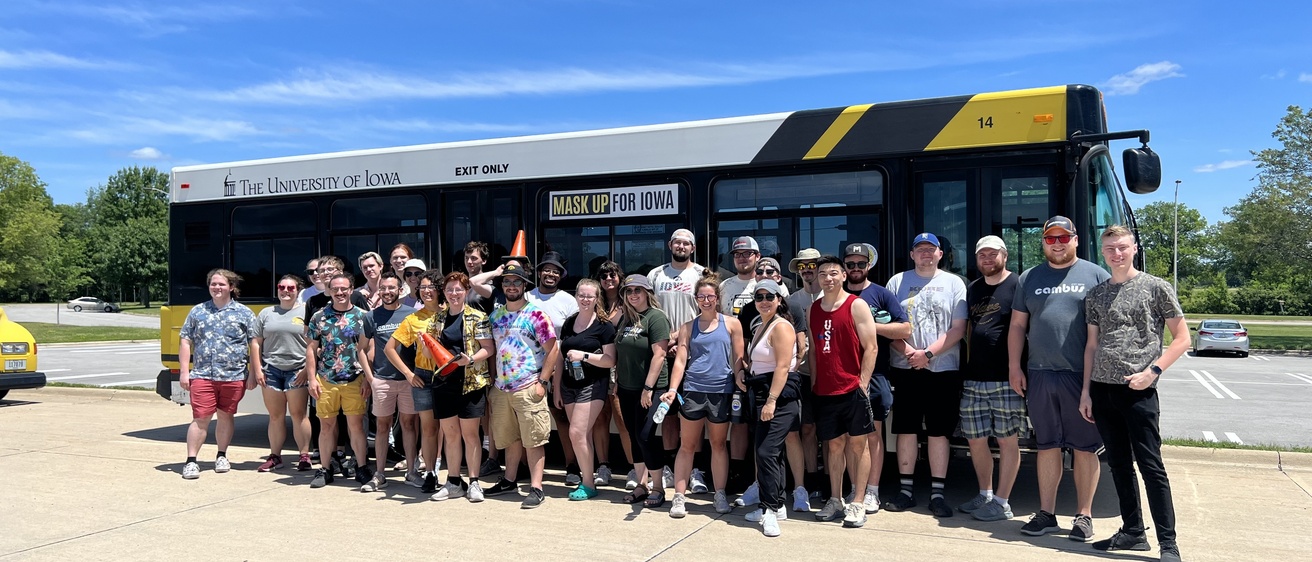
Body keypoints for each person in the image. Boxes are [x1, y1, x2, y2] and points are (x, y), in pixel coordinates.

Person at [1081, 225, 1189, 562]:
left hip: (1138, 392)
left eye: (1122, 247)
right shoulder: (1096, 294)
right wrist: (1086, 392)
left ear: (1134, 248)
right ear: (1103, 252)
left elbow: (1182, 338)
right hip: (1102, 391)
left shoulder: (1156, 288)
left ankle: (1168, 544)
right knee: (1118, 464)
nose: (1116, 254)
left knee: (1151, 466)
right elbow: (1092, 345)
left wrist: (1153, 371)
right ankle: (1132, 532)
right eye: (1110, 248)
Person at [1008, 215, 1110, 542]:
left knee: (1085, 447)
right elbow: (1017, 326)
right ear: (1043, 242)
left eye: (1063, 238)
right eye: (1050, 238)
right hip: (1039, 374)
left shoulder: (1096, 275)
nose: (1057, 243)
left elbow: (1108, 329)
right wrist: (1014, 367)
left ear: (1075, 240)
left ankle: (1084, 516)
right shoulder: (1029, 277)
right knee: (1047, 445)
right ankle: (1047, 514)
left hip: (1081, 377)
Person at [883, 233, 967, 518]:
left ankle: (937, 494)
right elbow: (887, 324)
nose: (926, 254)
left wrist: (927, 354)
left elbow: (958, 328)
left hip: (943, 369)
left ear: (940, 254)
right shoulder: (897, 282)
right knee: (906, 428)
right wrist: (910, 353)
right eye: (920, 249)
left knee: (938, 431)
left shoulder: (954, 283)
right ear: (912, 254)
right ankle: (906, 491)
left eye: (931, 249)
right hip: (905, 367)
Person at [956, 236, 1027, 522]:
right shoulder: (973, 288)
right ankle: (985, 494)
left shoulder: (1019, 285)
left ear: (1004, 256)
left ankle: (1002, 502)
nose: (987, 259)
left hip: (1006, 378)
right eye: (982, 254)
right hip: (974, 378)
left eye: (993, 254)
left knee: (1007, 440)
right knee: (975, 440)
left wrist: (1018, 369)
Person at [807, 255, 879, 529]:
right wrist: (815, 383)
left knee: (859, 446)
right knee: (834, 446)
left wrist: (863, 383)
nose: (828, 278)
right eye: (823, 274)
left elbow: (871, 347)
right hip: (825, 390)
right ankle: (835, 500)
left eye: (833, 273)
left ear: (844, 276)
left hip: (852, 388)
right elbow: (814, 351)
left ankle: (858, 501)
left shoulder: (856, 305)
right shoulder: (813, 309)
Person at [663, 274, 742, 518]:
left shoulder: (732, 324)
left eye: (710, 296)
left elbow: (739, 359)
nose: (706, 301)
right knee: (687, 445)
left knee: (718, 444)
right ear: (696, 299)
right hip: (693, 390)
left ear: (717, 298)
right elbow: (680, 361)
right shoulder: (688, 327)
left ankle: (720, 494)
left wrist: (740, 380)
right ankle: (679, 497)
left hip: (722, 391)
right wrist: (673, 389)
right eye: (701, 297)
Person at [484, 263, 560, 509]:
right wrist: (492, 383)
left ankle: (536, 488)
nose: (512, 286)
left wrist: (543, 382)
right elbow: (492, 351)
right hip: (502, 388)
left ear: (525, 285)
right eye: (507, 282)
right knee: (510, 439)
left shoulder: (536, 315)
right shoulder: (495, 316)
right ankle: (509, 480)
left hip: (529, 385)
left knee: (534, 439)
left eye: (517, 282)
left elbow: (553, 350)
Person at [178, 269, 261, 480]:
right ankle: (191, 461)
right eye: (213, 284)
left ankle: (222, 455)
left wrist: (253, 373)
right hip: (203, 375)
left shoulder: (244, 313)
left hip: (233, 376)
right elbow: (185, 340)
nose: (217, 288)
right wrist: (185, 372)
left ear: (231, 287)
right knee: (201, 417)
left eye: (221, 284)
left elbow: (254, 344)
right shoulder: (198, 311)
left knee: (225, 416)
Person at [848, 243, 911, 515]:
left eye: (860, 264)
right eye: (850, 264)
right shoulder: (836, 296)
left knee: (872, 434)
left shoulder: (881, 294)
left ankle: (872, 491)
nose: (855, 268)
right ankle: (855, 488)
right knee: (848, 436)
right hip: (843, 375)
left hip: (875, 374)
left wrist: (870, 326)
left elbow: (905, 329)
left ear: (869, 265)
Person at [428, 272, 496, 502]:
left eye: (458, 289)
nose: (454, 293)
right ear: (444, 293)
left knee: (470, 435)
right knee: (450, 435)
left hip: (471, 382)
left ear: (466, 291)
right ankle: (454, 481)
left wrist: (471, 359)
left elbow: (488, 348)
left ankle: (474, 482)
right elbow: (431, 350)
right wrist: (424, 343)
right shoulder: (437, 318)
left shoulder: (478, 316)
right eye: (449, 290)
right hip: (444, 383)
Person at [647, 229, 705, 494]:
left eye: (686, 243)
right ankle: (670, 468)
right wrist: (664, 341)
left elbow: (708, 310)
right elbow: (649, 311)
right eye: (677, 242)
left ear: (693, 248)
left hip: (694, 352)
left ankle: (695, 470)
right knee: (668, 413)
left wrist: (679, 338)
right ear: (670, 245)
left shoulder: (701, 274)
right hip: (662, 351)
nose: (681, 246)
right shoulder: (656, 274)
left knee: (693, 413)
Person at [306, 273, 376, 489]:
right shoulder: (319, 317)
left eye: (344, 288)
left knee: (356, 427)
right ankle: (325, 468)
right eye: (335, 289)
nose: (340, 292)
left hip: (355, 378)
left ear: (351, 289)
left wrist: (368, 379)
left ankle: (361, 467)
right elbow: (311, 349)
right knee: (326, 427)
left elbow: (370, 349)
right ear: (329, 290)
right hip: (326, 379)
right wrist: (311, 379)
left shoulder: (364, 316)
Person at [743, 280, 801, 537]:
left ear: (779, 299)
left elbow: (783, 367)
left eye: (769, 296)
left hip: (779, 396)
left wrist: (771, 400)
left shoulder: (782, 326)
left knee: (766, 453)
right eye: (759, 297)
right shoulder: (760, 326)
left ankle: (769, 510)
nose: (764, 301)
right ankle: (776, 505)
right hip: (760, 391)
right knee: (769, 453)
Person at [554, 278, 617, 500]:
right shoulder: (569, 323)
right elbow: (560, 357)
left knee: (576, 433)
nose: (585, 299)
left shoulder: (604, 326)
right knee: (582, 436)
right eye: (581, 295)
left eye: (590, 296)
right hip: (569, 385)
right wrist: (556, 388)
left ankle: (588, 484)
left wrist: (585, 356)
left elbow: (610, 360)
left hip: (593, 385)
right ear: (576, 296)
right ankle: (587, 480)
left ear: (597, 298)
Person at [613, 274, 672, 508]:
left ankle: (658, 487)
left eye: (638, 290)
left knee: (646, 436)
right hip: (626, 387)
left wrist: (648, 388)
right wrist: (617, 379)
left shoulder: (656, 317)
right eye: (629, 291)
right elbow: (622, 352)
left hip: (651, 388)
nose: (633, 294)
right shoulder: (626, 319)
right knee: (633, 435)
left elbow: (660, 354)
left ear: (647, 293)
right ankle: (641, 484)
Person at [385, 270, 447, 493]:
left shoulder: (451, 312)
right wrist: (409, 374)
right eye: (423, 287)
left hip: (448, 375)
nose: (427, 291)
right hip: (424, 376)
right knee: (429, 429)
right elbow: (389, 349)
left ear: (440, 289)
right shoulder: (413, 319)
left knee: (449, 429)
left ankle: (450, 473)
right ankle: (430, 472)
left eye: (431, 287)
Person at [359, 271, 419, 492]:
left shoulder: (411, 314)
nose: (387, 292)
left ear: (400, 290)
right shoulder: (371, 317)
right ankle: (380, 474)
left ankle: (412, 472)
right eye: (383, 288)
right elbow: (361, 350)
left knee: (409, 425)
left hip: (408, 380)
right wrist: (370, 378)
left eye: (391, 288)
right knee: (382, 427)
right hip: (382, 380)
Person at [527, 251, 582, 485]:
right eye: (547, 270)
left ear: (561, 276)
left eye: (556, 271)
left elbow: (572, 335)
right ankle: (525, 468)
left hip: (560, 367)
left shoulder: (568, 301)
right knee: (527, 418)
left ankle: (572, 466)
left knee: (562, 417)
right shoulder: (527, 297)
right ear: (539, 272)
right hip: (530, 368)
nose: (550, 274)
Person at [253, 274, 312, 473]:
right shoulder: (266, 313)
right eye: (282, 287)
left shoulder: (306, 311)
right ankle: (275, 456)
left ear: (298, 290)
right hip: (271, 370)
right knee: (275, 416)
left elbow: (313, 344)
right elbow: (256, 342)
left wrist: (307, 370)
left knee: (298, 414)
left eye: (291, 288)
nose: (286, 291)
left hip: (298, 370)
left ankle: (304, 455)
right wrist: (257, 369)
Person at [783, 248, 824, 510]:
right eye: (802, 266)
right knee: (807, 429)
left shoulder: (833, 296)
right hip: (803, 374)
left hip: (830, 374)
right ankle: (811, 481)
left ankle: (832, 481)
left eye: (812, 265)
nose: (807, 270)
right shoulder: (791, 300)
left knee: (831, 433)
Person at [720, 235, 760, 492]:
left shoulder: (769, 283)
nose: (742, 258)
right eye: (738, 254)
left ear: (757, 256)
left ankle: (761, 475)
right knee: (738, 421)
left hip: (763, 365)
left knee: (762, 422)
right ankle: (737, 473)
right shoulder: (725, 286)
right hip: (733, 363)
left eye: (747, 253)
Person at [593, 260, 636, 489]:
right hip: (597, 365)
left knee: (622, 418)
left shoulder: (628, 301)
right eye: (604, 276)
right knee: (600, 417)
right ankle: (603, 466)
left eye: (612, 275)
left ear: (620, 277)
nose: (608, 279)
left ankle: (634, 468)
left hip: (622, 367)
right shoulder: (594, 302)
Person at [463, 241, 494, 313]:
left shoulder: (489, 285)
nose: (469, 261)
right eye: (466, 258)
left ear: (484, 261)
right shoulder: (462, 284)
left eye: (473, 258)